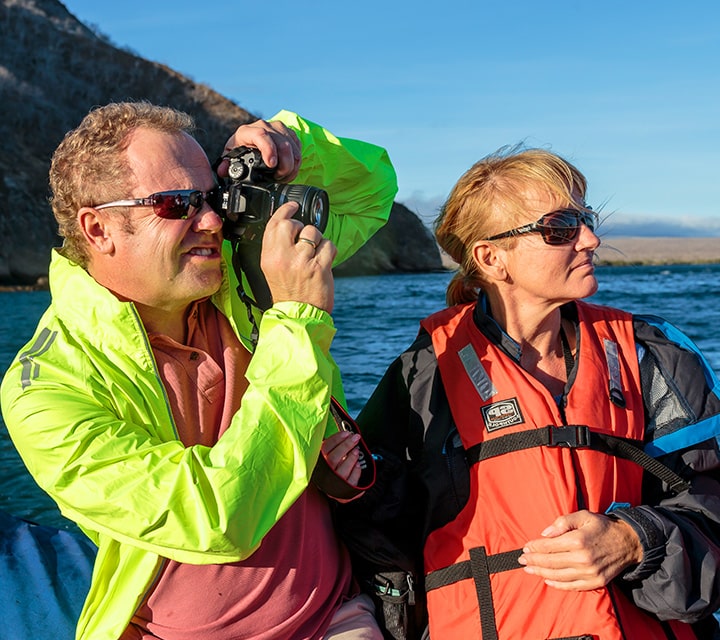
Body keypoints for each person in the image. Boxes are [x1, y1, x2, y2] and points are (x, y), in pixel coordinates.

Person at [0, 101, 397, 640]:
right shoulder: (45, 389)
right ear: (98, 229)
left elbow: (371, 194)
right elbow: (218, 519)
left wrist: (294, 147)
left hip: (332, 615)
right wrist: (297, 324)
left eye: (209, 197)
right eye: (177, 203)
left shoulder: (240, 271)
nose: (211, 220)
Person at [339, 146, 720, 639]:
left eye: (586, 219)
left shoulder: (655, 357)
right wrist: (351, 484)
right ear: (492, 258)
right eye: (560, 228)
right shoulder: (421, 378)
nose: (590, 238)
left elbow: (709, 499)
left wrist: (635, 539)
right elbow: (382, 537)